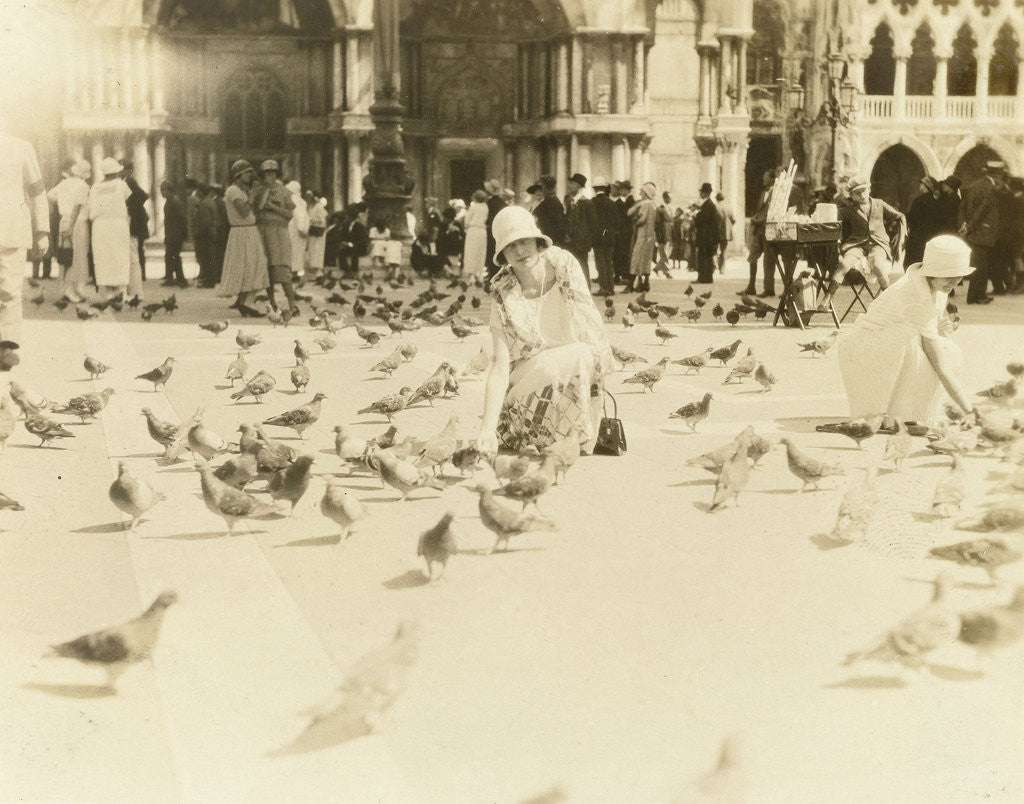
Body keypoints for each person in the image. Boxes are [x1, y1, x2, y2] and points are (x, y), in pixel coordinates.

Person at [478, 205, 612, 455]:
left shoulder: (564, 265)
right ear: (502, 253)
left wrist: (597, 389)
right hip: (529, 386)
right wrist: (486, 428)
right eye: (510, 246)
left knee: (584, 353)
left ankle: (570, 438)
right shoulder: (502, 288)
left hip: (574, 377)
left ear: (537, 240)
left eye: (524, 241)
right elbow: (499, 363)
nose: (519, 250)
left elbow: (593, 329)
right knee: (563, 360)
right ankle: (543, 438)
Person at [837, 234, 979, 429]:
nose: (954, 281)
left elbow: (931, 334)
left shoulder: (936, 287)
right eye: (948, 275)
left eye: (959, 275)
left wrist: (942, 333)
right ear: (933, 271)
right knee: (915, 346)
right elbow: (939, 363)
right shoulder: (914, 294)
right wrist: (970, 410)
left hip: (888, 340)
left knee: (948, 348)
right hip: (864, 348)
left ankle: (910, 414)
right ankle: (896, 416)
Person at [0, 121, 49, 369]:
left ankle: (6, 348)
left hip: (11, 229)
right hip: (11, 228)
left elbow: (37, 191)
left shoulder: (20, 148)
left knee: (9, 290)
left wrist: (42, 230)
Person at [818, 177, 906, 310]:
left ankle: (889, 300)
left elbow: (900, 216)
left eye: (864, 191)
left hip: (878, 244)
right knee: (843, 264)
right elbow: (831, 216)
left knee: (877, 264)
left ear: (869, 189)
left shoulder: (879, 204)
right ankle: (827, 299)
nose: (862, 195)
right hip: (857, 244)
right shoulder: (849, 209)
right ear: (852, 196)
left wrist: (900, 238)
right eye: (857, 193)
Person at [219, 159, 269, 316]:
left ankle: (245, 302)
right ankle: (247, 303)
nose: (250, 175)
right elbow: (244, 211)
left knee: (254, 265)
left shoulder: (242, 190)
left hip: (248, 232)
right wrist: (252, 195)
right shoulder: (233, 191)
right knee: (252, 265)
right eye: (247, 173)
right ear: (239, 175)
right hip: (242, 233)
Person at [254, 160, 298, 314]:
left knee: (283, 269)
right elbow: (255, 211)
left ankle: (292, 304)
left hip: (280, 234)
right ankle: (272, 302)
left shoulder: (284, 192)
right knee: (268, 270)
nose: (270, 177)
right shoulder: (258, 192)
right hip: (264, 233)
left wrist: (272, 207)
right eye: (267, 174)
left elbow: (289, 214)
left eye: (272, 174)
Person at [958, 161, 1001, 305]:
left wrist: (963, 224)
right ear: (997, 174)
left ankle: (976, 295)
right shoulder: (989, 188)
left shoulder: (974, 185)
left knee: (978, 264)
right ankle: (977, 296)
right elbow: (981, 211)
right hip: (982, 231)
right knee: (981, 266)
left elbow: (962, 206)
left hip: (974, 232)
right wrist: (969, 227)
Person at [89, 158, 132, 299]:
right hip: (117, 224)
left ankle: (108, 292)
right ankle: (121, 291)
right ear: (115, 171)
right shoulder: (121, 185)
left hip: (100, 226)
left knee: (103, 257)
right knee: (120, 256)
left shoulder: (95, 187)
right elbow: (128, 199)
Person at [50, 158, 92, 302]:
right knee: (76, 257)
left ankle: (68, 288)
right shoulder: (83, 186)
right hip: (77, 223)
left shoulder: (63, 183)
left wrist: (63, 205)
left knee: (65, 256)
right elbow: (77, 207)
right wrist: (71, 227)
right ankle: (69, 290)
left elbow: (50, 196)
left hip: (64, 220)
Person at [741, 170, 775, 297]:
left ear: (772, 179)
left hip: (768, 229)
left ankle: (769, 289)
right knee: (752, 257)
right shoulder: (763, 193)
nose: (763, 180)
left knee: (768, 261)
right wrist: (755, 218)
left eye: (765, 178)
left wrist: (758, 220)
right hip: (758, 229)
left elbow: (772, 212)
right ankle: (751, 286)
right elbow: (760, 210)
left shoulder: (777, 194)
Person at [564, 172, 598, 279]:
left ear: (579, 186)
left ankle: (586, 292)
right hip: (571, 243)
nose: (569, 186)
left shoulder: (586, 203)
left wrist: (587, 241)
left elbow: (593, 224)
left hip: (581, 243)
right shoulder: (571, 202)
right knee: (573, 269)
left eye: (572, 184)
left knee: (583, 268)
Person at [123, 160, 148, 300]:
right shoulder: (129, 181)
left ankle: (136, 287)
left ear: (127, 170)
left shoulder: (129, 181)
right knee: (135, 253)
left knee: (134, 254)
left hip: (133, 224)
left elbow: (143, 195)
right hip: (135, 222)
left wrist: (129, 207)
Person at [904, 176, 942, 267]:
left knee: (913, 263)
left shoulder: (919, 200)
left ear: (926, 186)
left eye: (922, 184)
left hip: (917, 237)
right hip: (930, 236)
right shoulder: (936, 201)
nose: (919, 186)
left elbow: (912, 218)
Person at [627, 181, 658, 292]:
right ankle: (645, 283)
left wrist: (635, 221)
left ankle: (632, 284)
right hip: (650, 235)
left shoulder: (645, 204)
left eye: (642, 191)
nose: (640, 193)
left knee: (636, 257)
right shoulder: (653, 204)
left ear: (646, 193)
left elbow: (642, 218)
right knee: (646, 259)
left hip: (642, 234)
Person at [590, 176, 617, 296]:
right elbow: (616, 221)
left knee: (600, 262)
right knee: (608, 262)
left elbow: (591, 221)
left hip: (598, 237)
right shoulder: (611, 202)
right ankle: (611, 287)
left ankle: (603, 287)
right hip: (610, 237)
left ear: (595, 189)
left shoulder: (592, 202)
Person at [161, 179, 188, 288]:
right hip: (171, 234)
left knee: (172, 256)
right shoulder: (170, 201)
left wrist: (182, 234)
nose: (162, 193)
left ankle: (174, 278)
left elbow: (182, 219)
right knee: (173, 256)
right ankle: (178, 279)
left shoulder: (174, 202)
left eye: (163, 190)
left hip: (175, 235)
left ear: (169, 190)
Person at [693, 182, 721, 284]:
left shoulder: (707, 204)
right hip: (709, 236)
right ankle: (707, 278)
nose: (700, 194)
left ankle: (703, 278)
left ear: (706, 193)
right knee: (708, 257)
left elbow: (703, 220)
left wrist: (695, 216)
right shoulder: (709, 204)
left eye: (702, 192)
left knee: (703, 257)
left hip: (705, 237)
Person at [530, 175, 566, 247]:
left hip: (550, 240)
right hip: (547, 239)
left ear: (545, 186)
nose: (541, 188)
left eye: (542, 185)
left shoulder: (551, 201)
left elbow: (555, 225)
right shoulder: (547, 200)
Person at [483, 178, 507, 283]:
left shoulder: (489, 203)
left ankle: (492, 276)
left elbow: (487, 218)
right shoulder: (502, 202)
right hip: (500, 231)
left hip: (490, 232)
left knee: (490, 253)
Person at [193, 182, 217, 288]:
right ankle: (210, 280)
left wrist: (198, 233)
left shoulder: (203, 204)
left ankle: (208, 281)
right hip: (211, 233)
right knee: (210, 257)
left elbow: (205, 221)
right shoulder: (210, 201)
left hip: (205, 235)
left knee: (206, 258)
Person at [612, 180, 636, 285]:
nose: (620, 191)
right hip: (625, 231)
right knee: (623, 253)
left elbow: (626, 217)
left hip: (625, 231)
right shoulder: (628, 200)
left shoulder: (629, 200)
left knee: (625, 253)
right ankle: (624, 274)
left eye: (621, 189)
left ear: (626, 190)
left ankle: (626, 275)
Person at [285, 179, 308, 283]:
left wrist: (301, 229)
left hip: (294, 230)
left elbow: (299, 216)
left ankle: (293, 274)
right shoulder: (300, 201)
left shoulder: (294, 201)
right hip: (296, 229)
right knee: (297, 253)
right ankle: (295, 273)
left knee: (293, 252)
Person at [462, 189, 488, 280]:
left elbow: (467, 219)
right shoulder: (486, 207)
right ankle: (479, 273)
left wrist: (465, 226)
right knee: (480, 252)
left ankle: (471, 275)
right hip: (482, 230)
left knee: (471, 251)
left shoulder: (473, 207)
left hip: (473, 230)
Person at [304, 190, 327, 281]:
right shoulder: (310, 207)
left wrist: (310, 221)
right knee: (312, 252)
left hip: (318, 233)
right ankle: (312, 272)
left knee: (318, 252)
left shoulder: (319, 207)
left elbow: (322, 221)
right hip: (312, 233)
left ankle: (318, 273)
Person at [714, 191, 734, 274]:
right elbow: (733, 220)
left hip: (715, 231)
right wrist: (728, 227)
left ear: (716, 198)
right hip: (725, 232)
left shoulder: (714, 207)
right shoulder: (729, 207)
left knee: (714, 250)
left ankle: (714, 267)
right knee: (724, 250)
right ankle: (722, 269)